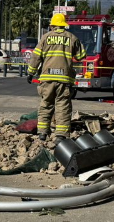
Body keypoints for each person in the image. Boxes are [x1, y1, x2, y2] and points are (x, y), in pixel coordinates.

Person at [27, 13, 86, 141]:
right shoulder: (72, 38)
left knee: (46, 104)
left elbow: (36, 57)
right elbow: (81, 56)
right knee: (63, 106)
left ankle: (42, 133)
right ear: (63, 25)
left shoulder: (45, 37)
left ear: (52, 25)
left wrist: (30, 72)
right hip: (64, 79)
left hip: (47, 78)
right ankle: (61, 135)